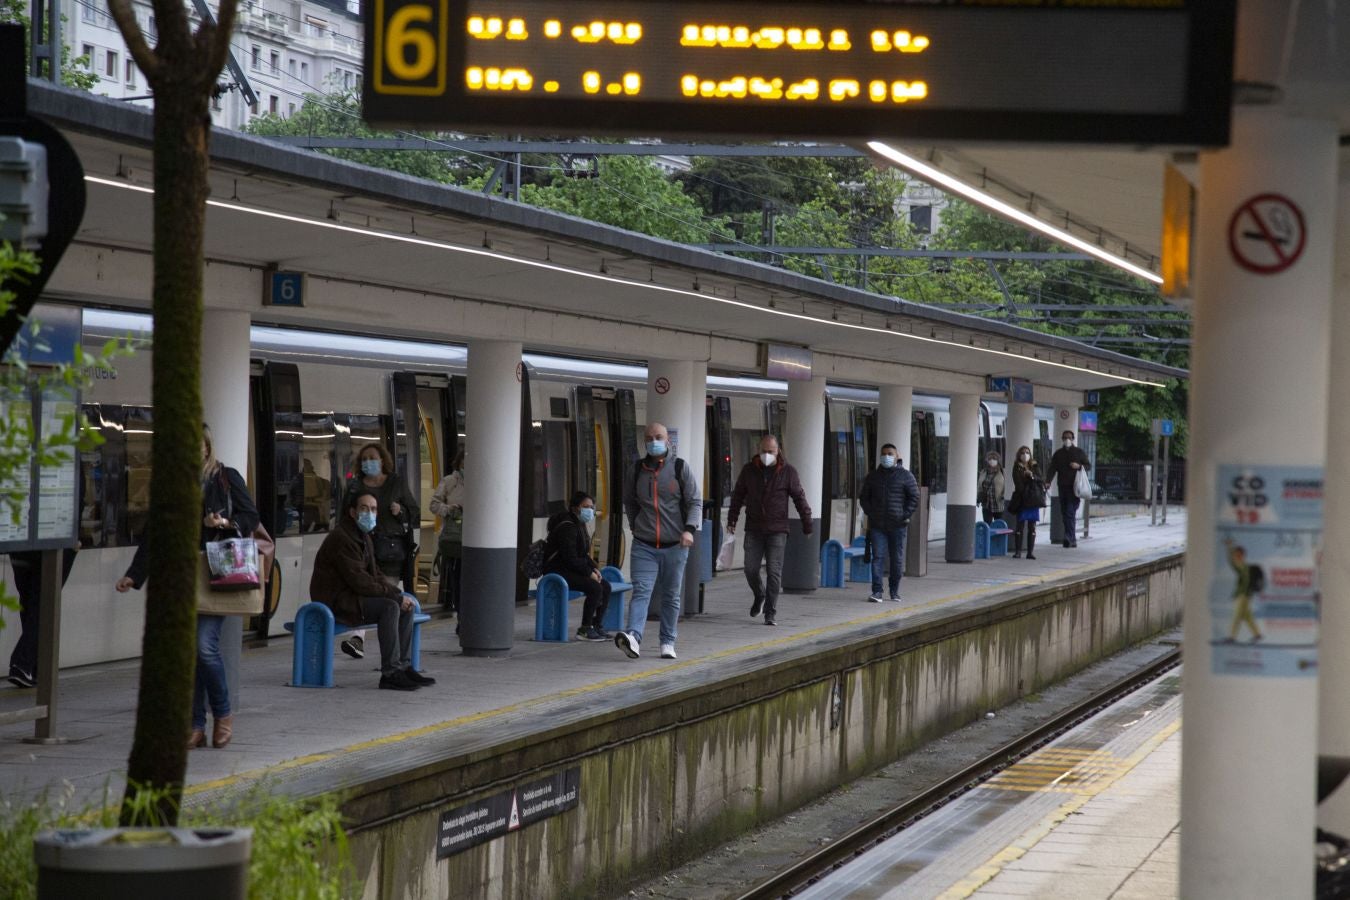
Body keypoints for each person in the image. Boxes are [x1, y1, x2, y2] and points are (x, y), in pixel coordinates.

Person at [115, 424, 254, 749]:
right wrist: (135, 574)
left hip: (216, 574)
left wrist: (224, 523)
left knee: (204, 647)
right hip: (179, 578)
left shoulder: (226, 477)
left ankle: (223, 713)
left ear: (207, 447)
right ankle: (195, 725)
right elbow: (155, 533)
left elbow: (250, 517)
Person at [310, 489, 435, 690]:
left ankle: (403, 667)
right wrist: (395, 598)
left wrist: (398, 594)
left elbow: (375, 574)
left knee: (406, 606)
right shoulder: (342, 538)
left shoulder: (363, 536)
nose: (370, 513)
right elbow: (360, 581)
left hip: (353, 597)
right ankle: (390, 673)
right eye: (364, 508)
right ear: (353, 512)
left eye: (374, 509)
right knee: (390, 607)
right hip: (337, 601)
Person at [616, 422, 701, 661]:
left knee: (671, 595)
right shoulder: (636, 470)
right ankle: (634, 637)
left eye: (659, 437)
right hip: (644, 545)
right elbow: (629, 501)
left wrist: (689, 530)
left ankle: (667, 641)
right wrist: (635, 526)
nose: (654, 441)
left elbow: (695, 501)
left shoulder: (680, 468)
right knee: (641, 591)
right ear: (644, 441)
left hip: (675, 545)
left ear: (667, 440)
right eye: (649, 438)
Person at [340, 444, 419, 661]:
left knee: (386, 594)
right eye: (364, 459)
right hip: (363, 546)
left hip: (389, 550)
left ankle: (394, 655)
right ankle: (359, 639)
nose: (368, 462)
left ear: (382, 460)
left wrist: (400, 511)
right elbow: (345, 514)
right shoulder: (355, 486)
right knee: (365, 590)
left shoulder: (396, 483)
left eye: (372, 458)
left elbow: (413, 512)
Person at [727, 434, 812, 626]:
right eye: (763, 451)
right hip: (754, 528)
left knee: (774, 572)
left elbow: (799, 498)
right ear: (758, 451)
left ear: (778, 451)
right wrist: (732, 519)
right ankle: (760, 594)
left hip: (778, 529)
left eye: (771, 451)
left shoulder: (788, 472)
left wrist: (807, 524)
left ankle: (770, 612)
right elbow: (738, 496)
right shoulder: (749, 471)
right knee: (750, 569)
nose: (767, 455)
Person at [545, 491, 612, 641]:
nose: (590, 510)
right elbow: (570, 558)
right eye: (586, 507)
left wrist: (594, 568)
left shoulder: (579, 524)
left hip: (570, 569)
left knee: (605, 586)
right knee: (595, 588)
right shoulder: (567, 527)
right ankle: (585, 629)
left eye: (591, 507)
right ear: (575, 508)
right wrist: (589, 573)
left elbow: (582, 554)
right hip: (558, 571)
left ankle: (597, 625)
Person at [7, 549, 77, 688]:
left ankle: (32, 666)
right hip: (56, 545)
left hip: (20, 546)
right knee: (44, 601)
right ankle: (23, 663)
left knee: (29, 601)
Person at [859, 443, 920, 602]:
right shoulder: (873, 476)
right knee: (878, 557)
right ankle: (877, 591)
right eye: (884, 454)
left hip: (898, 526)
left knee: (896, 559)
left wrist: (904, 514)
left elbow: (914, 497)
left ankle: (894, 591)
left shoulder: (906, 476)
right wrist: (871, 512)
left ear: (897, 456)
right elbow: (864, 497)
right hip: (877, 525)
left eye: (890, 454)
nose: (886, 456)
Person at [429, 448, 466, 614]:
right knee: (458, 579)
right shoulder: (449, 481)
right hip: (455, 538)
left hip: (478, 539)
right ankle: (460, 617)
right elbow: (433, 505)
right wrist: (449, 509)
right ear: (459, 462)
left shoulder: (483, 481)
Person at [1047, 429, 1091, 548]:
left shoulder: (1079, 452)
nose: (1067, 439)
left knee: (1070, 512)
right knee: (1065, 513)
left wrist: (1079, 466)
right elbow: (1052, 468)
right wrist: (1048, 481)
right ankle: (1071, 538)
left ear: (1073, 439)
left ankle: (1069, 537)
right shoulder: (1058, 454)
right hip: (1062, 487)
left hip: (1075, 488)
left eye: (1069, 437)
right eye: (1065, 437)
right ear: (1062, 439)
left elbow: (1088, 466)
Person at [1224, 538, 1263, 643]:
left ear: (1242, 555)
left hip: (1243, 595)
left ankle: (1231, 637)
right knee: (1247, 616)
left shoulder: (1243, 567)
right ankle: (1257, 634)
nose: (1236, 557)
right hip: (1245, 595)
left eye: (1238, 555)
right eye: (1236, 555)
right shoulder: (1243, 566)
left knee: (1237, 615)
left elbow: (1232, 562)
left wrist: (1229, 547)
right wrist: (1229, 547)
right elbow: (1232, 561)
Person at [1010, 445, 1045, 560]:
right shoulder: (1017, 467)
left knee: (1032, 526)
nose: (1025, 455)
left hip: (1033, 500)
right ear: (1019, 455)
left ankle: (1030, 552)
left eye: (1027, 452)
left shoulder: (1034, 466)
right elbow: (1018, 484)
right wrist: (1026, 479)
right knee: (1019, 525)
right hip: (1022, 499)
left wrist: (1032, 476)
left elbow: (1040, 479)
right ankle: (1018, 551)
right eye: (1023, 453)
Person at [977, 452, 1005, 526]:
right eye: (990, 458)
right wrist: (978, 497)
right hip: (986, 504)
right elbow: (979, 486)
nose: (992, 460)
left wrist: (1003, 496)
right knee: (987, 525)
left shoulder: (1002, 472)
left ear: (998, 460)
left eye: (994, 458)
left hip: (998, 504)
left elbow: (1005, 486)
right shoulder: (983, 472)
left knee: (999, 525)